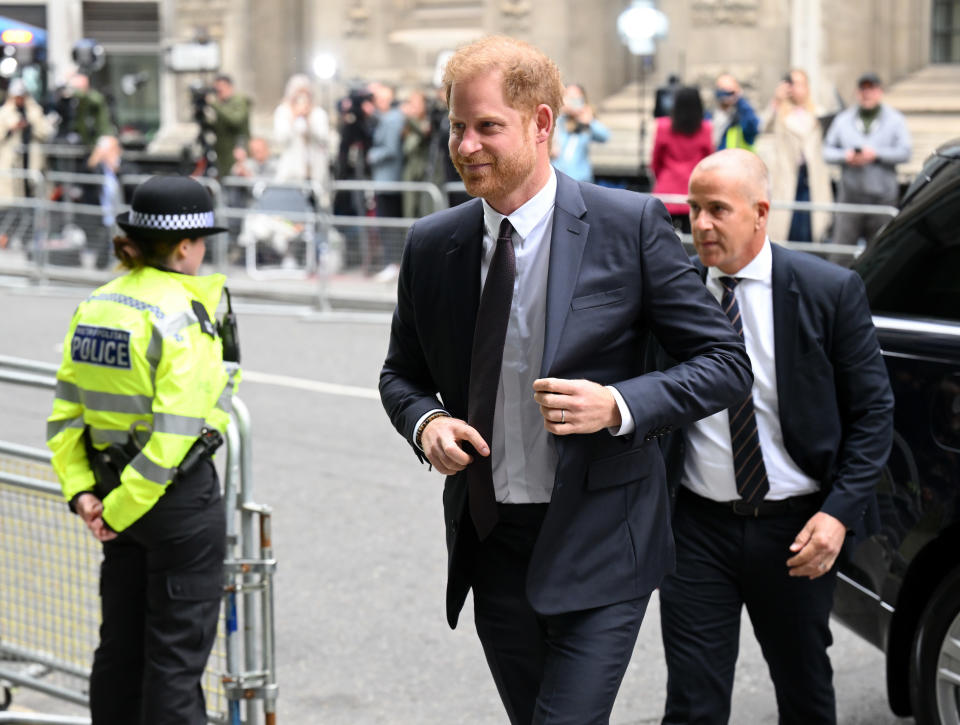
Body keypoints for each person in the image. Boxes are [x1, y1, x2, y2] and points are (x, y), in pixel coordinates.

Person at [379, 35, 753, 725]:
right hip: (492, 543)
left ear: (541, 124)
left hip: (601, 539)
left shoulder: (628, 225)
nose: (465, 146)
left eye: (487, 126)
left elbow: (726, 363)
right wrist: (425, 422)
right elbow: (400, 373)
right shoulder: (435, 244)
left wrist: (617, 404)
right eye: (458, 126)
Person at [658, 149, 894, 725]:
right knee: (692, 700)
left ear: (760, 213)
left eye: (718, 209)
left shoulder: (828, 290)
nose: (702, 224)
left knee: (804, 686)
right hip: (695, 530)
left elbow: (873, 412)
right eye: (694, 209)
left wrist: (837, 515)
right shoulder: (675, 293)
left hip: (796, 529)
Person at [46, 175, 240, 725]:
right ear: (184, 247)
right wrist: (121, 505)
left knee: (120, 653)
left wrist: (85, 494)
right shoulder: (183, 315)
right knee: (174, 667)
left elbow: (65, 417)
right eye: (201, 241)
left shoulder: (96, 305)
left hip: (111, 496)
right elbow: (176, 436)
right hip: (173, 505)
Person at [823, 72, 911, 249]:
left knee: (881, 251)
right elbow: (826, 152)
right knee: (842, 252)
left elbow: (905, 152)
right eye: (863, 89)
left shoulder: (895, 120)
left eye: (871, 89)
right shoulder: (843, 120)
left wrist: (876, 154)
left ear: (880, 92)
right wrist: (845, 156)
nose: (867, 94)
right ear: (857, 92)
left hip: (883, 199)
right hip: (850, 198)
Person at [762, 69, 833, 243]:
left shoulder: (818, 112)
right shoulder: (780, 113)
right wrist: (776, 100)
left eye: (801, 83)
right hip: (787, 178)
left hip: (812, 178)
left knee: (812, 229)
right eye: (792, 84)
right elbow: (762, 126)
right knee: (787, 228)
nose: (796, 89)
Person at [651, 86, 713, 232]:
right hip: (693, 192)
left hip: (666, 193)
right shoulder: (706, 129)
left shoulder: (662, 126)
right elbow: (709, 163)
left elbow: (655, 162)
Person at [273, 73, 332, 204]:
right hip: (292, 173)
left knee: (317, 207)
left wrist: (309, 119)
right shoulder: (283, 112)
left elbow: (324, 138)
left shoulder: (318, 113)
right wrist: (294, 118)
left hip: (315, 173)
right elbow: (281, 139)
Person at [551, 83, 609, 182]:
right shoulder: (559, 121)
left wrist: (589, 121)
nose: (571, 102)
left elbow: (605, 136)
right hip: (558, 178)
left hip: (581, 179)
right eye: (568, 97)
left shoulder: (587, 122)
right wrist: (561, 111)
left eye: (575, 98)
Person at [85, 135, 124, 269]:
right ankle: (102, 265)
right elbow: (88, 171)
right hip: (103, 213)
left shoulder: (118, 165)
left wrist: (115, 166)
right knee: (106, 240)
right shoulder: (98, 167)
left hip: (117, 212)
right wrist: (97, 156)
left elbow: (128, 175)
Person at [209, 74, 252, 179]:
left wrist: (214, 105)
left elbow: (235, 120)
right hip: (222, 153)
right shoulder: (222, 104)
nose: (218, 92)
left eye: (221, 88)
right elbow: (218, 128)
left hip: (236, 151)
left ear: (229, 87)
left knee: (236, 180)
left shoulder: (239, 101)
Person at [712, 74, 759, 152]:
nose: (726, 94)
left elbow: (753, 127)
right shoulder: (709, 116)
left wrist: (739, 99)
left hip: (737, 162)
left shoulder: (742, 117)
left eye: (729, 91)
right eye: (722, 90)